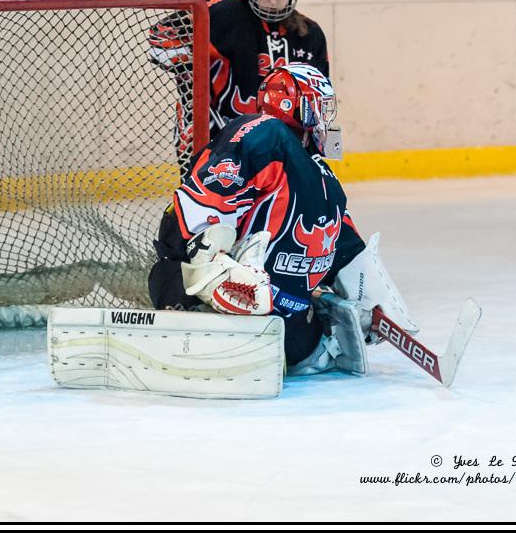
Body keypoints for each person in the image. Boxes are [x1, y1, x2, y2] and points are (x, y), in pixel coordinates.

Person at [147, 64, 417, 373]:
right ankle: (196, 306)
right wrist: (212, 270)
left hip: (282, 323)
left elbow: (345, 247)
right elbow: (204, 201)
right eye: (319, 106)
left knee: (301, 338)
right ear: (293, 105)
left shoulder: (323, 177)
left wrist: (369, 299)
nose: (325, 119)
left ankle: (305, 332)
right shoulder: (266, 134)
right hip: (219, 301)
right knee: (180, 273)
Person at [148, 0, 332, 154]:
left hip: (280, 146)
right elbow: (160, 37)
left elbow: (320, 101)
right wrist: (193, 71)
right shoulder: (222, 13)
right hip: (213, 139)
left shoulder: (309, 35)